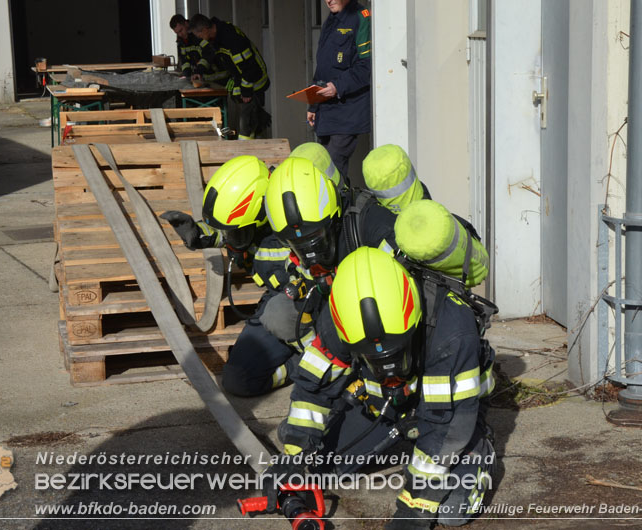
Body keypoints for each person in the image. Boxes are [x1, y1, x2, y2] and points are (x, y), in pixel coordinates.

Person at [265, 246, 497, 528]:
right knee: (321, 466)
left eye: (396, 352)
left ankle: (478, 446)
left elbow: (447, 428)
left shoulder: (451, 328)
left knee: (451, 511)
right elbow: (314, 387)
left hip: (453, 414)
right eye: (374, 358)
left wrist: (415, 507)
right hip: (390, 404)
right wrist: (295, 452)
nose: (389, 367)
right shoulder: (340, 319)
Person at [160, 155, 296, 397]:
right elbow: (237, 234)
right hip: (278, 302)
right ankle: (298, 366)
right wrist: (200, 234)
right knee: (238, 380)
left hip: (313, 305)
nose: (231, 239)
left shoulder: (296, 222)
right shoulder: (254, 219)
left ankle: (317, 364)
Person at [308, 0, 372, 180]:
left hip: (348, 111)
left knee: (333, 168)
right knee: (323, 167)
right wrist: (313, 105)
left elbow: (366, 66)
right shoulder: (332, 18)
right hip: (326, 110)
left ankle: (339, 206)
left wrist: (338, 87)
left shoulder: (361, 17)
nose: (328, 0)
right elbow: (324, 67)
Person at [189, 14, 270, 140]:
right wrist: (200, 70)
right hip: (243, 79)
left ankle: (245, 150)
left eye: (198, 35)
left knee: (246, 123)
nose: (199, 38)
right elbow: (210, 55)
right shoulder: (216, 37)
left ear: (205, 29)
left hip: (254, 81)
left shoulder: (231, 39)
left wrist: (247, 91)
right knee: (253, 119)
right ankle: (257, 133)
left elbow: (249, 67)